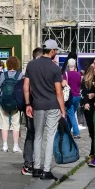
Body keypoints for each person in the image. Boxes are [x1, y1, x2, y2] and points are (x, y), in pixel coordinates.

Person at [23, 40, 66, 180]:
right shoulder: (55, 68)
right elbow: (59, 92)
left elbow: (26, 87)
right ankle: (46, 170)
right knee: (50, 137)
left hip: (37, 104)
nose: (56, 53)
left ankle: (36, 168)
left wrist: (28, 104)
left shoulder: (31, 65)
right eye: (56, 51)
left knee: (38, 136)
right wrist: (63, 110)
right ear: (52, 51)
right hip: (52, 105)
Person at [21, 47, 42, 176]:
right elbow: (26, 87)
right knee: (32, 134)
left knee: (34, 134)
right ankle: (28, 163)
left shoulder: (32, 68)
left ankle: (31, 162)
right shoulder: (33, 68)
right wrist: (28, 104)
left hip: (34, 105)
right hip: (34, 105)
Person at [0, 56, 22, 153]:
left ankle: (5, 145)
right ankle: (15, 146)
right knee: (16, 124)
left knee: (4, 124)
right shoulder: (20, 75)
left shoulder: (3, 75)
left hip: (4, 102)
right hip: (16, 103)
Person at [62, 58, 82, 139]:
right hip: (77, 96)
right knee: (72, 114)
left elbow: (63, 85)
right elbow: (79, 84)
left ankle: (76, 132)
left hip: (70, 96)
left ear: (68, 65)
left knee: (71, 115)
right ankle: (67, 130)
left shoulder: (66, 74)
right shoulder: (79, 74)